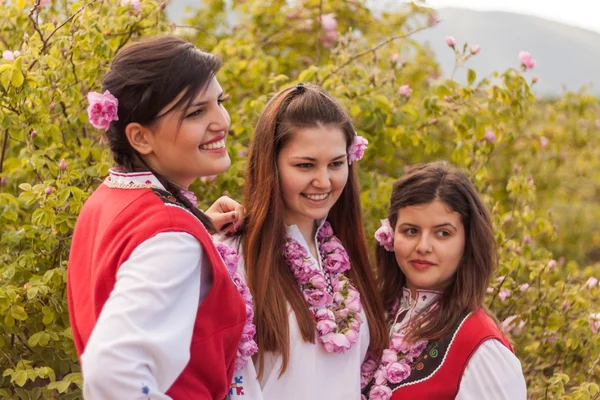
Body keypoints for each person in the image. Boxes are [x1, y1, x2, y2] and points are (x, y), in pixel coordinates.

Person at [67, 35, 250, 399]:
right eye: (197, 112)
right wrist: (180, 233)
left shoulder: (108, 199)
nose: (222, 122)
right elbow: (112, 372)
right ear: (140, 137)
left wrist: (194, 223)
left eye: (220, 102)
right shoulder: (170, 237)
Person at [216, 83, 388, 399]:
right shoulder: (233, 259)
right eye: (305, 165)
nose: (324, 181)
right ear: (271, 164)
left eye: (336, 164)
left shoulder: (344, 259)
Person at [361, 161, 527, 399]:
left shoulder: (480, 347)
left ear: (468, 242)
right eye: (410, 230)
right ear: (391, 234)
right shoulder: (371, 316)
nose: (423, 246)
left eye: (443, 233)